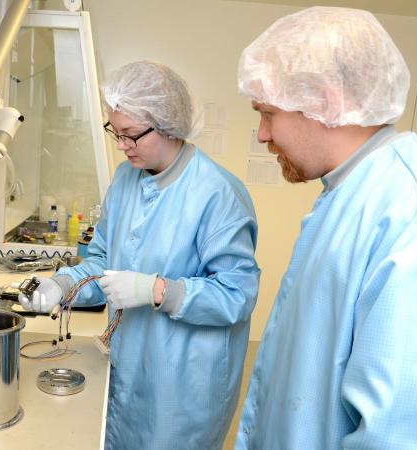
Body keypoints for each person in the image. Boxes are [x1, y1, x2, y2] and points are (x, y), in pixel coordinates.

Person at [234, 6, 417, 449]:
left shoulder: (416, 221)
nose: (261, 134)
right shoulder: (354, 191)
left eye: (267, 112)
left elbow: (402, 437)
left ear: (323, 100)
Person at [19, 61, 260, 449]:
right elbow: (102, 261)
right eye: (115, 132)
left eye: (131, 135)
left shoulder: (217, 194)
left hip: (183, 385)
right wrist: (62, 285)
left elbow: (237, 295)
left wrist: (158, 290)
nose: (121, 145)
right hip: (129, 361)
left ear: (168, 125)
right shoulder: (125, 179)